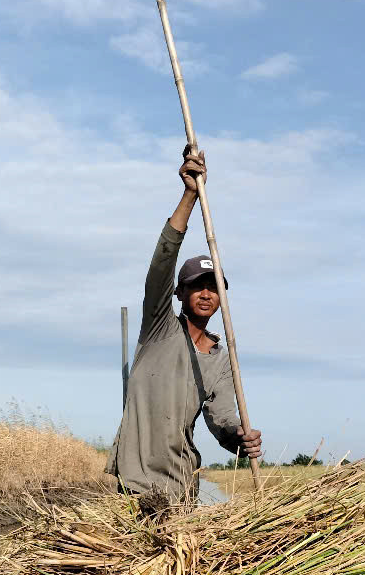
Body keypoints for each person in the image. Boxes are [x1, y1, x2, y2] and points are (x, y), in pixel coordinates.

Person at [105, 147, 263, 501]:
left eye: (214, 288)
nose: (206, 294)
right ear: (179, 292)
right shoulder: (159, 328)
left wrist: (240, 436)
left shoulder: (219, 356)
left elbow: (221, 421)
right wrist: (190, 194)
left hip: (181, 487)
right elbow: (162, 262)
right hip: (136, 483)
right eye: (197, 286)